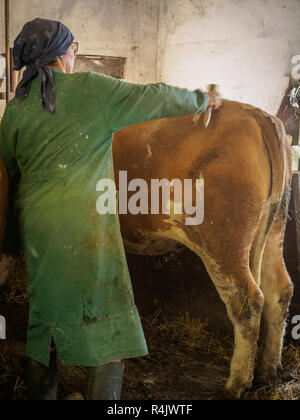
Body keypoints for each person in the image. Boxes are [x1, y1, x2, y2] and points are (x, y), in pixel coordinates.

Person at [0, 17, 222, 400]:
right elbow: (152, 97)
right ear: (60, 54)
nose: (75, 54)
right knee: (103, 310)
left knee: (45, 311)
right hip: (85, 226)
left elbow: (10, 172)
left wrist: (11, 241)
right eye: (73, 47)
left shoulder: (15, 109)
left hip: (38, 229)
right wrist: (202, 99)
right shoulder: (90, 88)